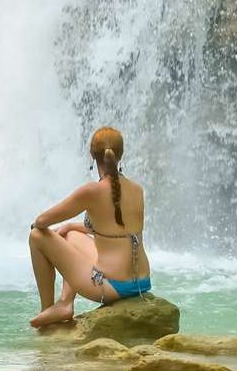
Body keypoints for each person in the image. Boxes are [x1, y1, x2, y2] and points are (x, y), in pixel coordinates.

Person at [27, 126, 152, 328]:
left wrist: (38, 226)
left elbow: (42, 221)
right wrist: (70, 226)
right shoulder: (137, 189)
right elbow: (115, 231)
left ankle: (48, 309)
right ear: (120, 155)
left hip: (111, 286)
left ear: (92, 155)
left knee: (36, 236)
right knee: (70, 234)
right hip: (141, 282)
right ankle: (65, 303)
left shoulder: (92, 191)